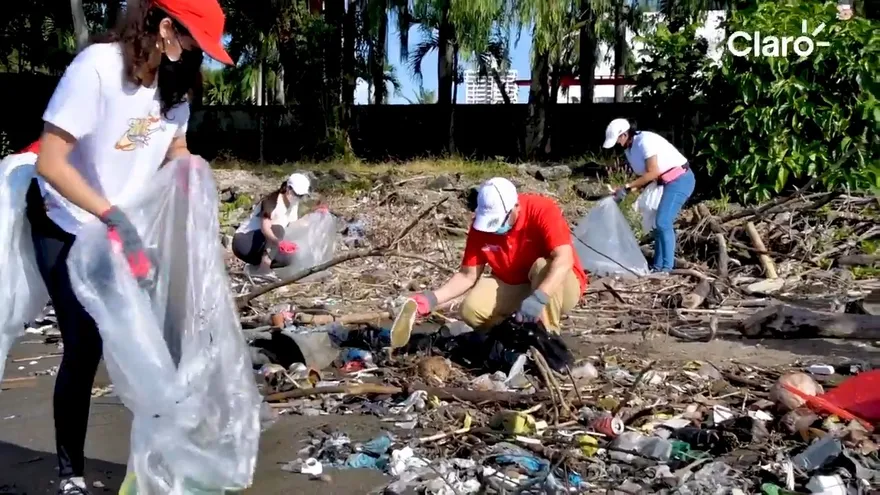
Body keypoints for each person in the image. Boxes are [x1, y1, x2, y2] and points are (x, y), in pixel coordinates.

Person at [27, 0, 232, 493]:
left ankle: (157, 463)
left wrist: (191, 176)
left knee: (160, 337)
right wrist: (108, 213)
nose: (195, 56)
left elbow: (173, 148)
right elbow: (50, 162)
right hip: (67, 219)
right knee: (85, 343)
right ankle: (70, 473)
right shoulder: (97, 68)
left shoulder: (175, 84)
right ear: (164, 27)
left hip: (126, 228)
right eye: (190, 43)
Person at [396, 178, 587, 345]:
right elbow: (467, 275)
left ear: (515, 207)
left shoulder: (542, 209)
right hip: (518, 286)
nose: (495, 229)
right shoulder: (481, 228)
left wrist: (539, 298)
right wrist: (430, 299)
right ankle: (513, 336)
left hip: (560, 285)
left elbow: (564, 259)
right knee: (472, 309)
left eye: (499, 221)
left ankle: (547, 338)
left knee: (541, 266)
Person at [602, 118, 696, 273]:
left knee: (663, 221)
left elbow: (653, 172)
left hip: (679, 180)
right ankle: (657, 266)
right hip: (662, 183)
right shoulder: (629, 149)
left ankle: (667, 268)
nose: (618, 143)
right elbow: (646, 178)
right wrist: (625, 191)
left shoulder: (644, 141)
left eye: (618, 139)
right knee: (656, 224)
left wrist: (627, 187)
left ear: (625, 134)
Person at [231, 172, 322, 278]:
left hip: (261, 244)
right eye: (298, 195)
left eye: (301, 196)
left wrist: (315, 214)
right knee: (278, 229)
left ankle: (253, 269)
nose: (299, 198)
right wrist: (278, 242)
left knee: (289, 257)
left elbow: (292, 226)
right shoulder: (271, 202)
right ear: (288, 189)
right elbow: (266, 229)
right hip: (243, 242)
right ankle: (264, 269)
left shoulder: (293, 204)